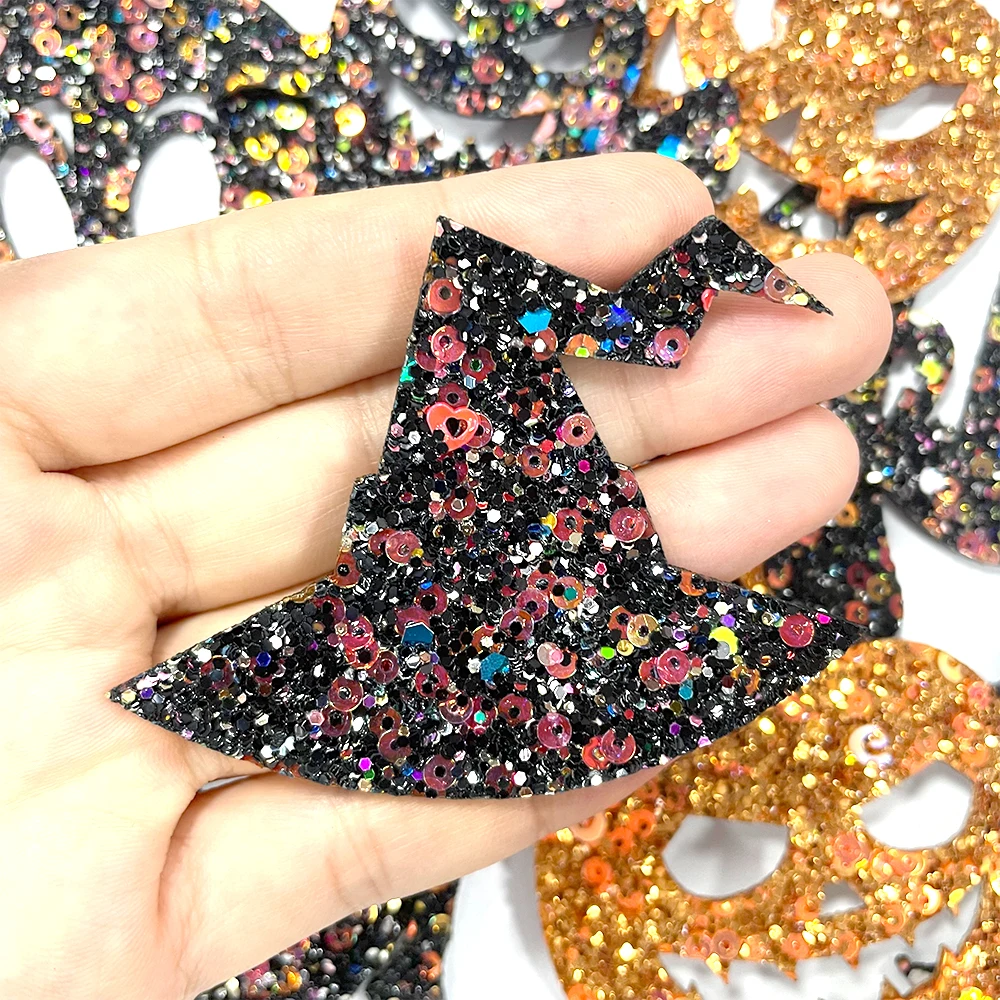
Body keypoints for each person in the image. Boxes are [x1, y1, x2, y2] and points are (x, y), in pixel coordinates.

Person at [0, 154, 890, 997]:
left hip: (512, 541)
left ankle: (651, 314)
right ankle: (655, 313)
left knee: (485, 305)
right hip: (498, 547)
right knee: (486, 306)